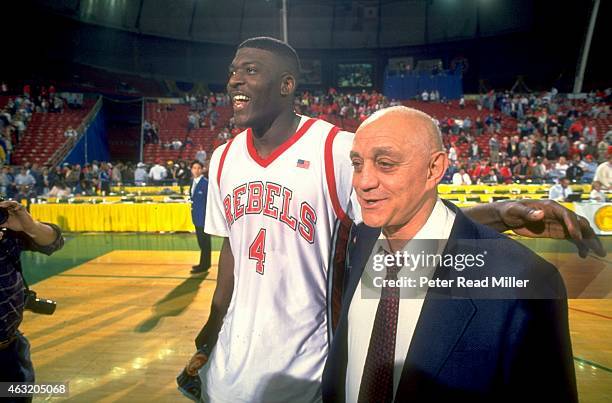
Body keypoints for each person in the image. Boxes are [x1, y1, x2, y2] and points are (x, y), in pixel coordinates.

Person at [184, 37, 603, 403]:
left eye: (250, 70)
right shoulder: (222, 159)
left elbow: (402, 218)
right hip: (231, 371)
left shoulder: (336, 147)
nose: (235, 79)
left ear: (287, 84)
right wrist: (212, 330)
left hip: (308, 372)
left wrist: (496, 214)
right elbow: (233, 252)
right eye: (232, 71)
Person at [322, 106, 577, 403]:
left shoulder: (524, 279)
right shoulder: (360, 240)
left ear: (434, 169)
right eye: (357, 164)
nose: (363, 182)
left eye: (385, 163)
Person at [0, 199, 64, 402]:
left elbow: (53, 242)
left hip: (9, 352)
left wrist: (30, 226)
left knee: (15, 397)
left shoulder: (6, 229)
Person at [189, 160, 211, 274]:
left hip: (204, 218)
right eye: (194, 168)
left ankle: (205, 265)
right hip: (197, 218)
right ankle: (204, 263)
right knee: (201, 242)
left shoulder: (206, 183)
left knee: (205, 242)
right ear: (191, 170)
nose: (196, 170)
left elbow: (210, 201)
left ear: (202, 169)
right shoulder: (193, 182)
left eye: (198, 168)